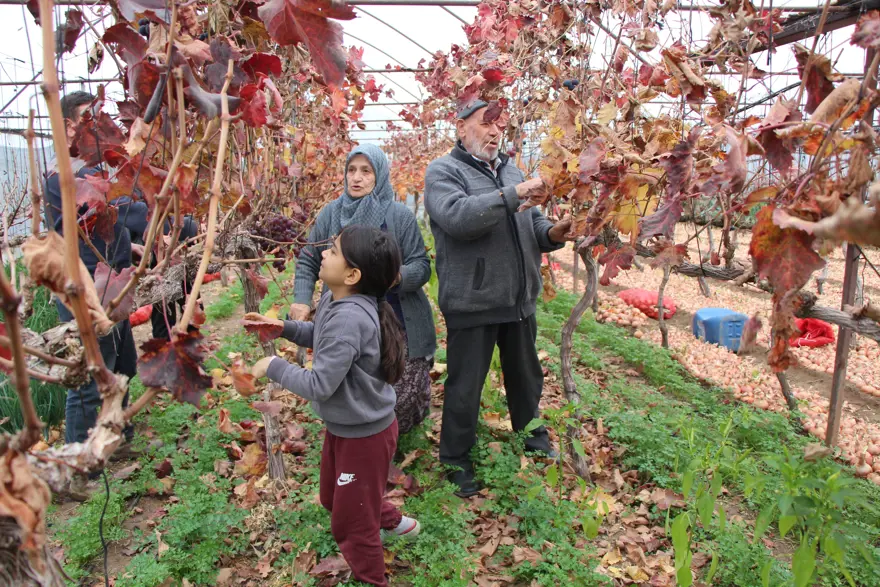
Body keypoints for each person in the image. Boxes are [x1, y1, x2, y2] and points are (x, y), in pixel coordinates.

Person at [250, 225, 421, 587]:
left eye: (333, 250)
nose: (324, 253)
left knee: (349, 522)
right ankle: (392, 521)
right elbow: (321, 335)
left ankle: (373, 578)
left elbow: (320, 385)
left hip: (365, 437)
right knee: (332, 496)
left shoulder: (350, 317)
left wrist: (274, 367)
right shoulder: (335, 298)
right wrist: (282, 326)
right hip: (348, 427)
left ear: (352, 274)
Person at [424, 99, 576, 498]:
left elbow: (531, 223)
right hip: (472, 302)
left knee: (527, 380)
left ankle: (535, 443)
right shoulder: (444, 172)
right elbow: (459, 218)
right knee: (464, 389)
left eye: (500, 125)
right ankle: (456, 460)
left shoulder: (511, 168)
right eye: (485, 123)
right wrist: (514, 193)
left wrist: (553, 234)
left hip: (519, 298)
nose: (494, 132)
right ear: (461, 128)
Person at [290, 144, 436, 435]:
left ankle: (395, 438)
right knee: (354, 387)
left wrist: (393, 277)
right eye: (351, 170)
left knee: (402, 395)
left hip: (397, 318)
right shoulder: (331, 214)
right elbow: (308, 258)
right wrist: (302, 300)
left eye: (365, 171)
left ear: (379, 176)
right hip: (347, 316)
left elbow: (421, 265)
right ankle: (363, 441)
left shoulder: (398, 216)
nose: (356, 178)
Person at [44, 92, 144, 500]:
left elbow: (112, 223)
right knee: (89, 375)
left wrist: (133, 245)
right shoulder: (64, 175)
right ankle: (81, 467)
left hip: (112, 283)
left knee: (119, 363)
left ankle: (117, 438)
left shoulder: (96, 168)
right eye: (88, 119)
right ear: (68, 126)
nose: (96, 125)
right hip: (83, 290)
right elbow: (120, 209)